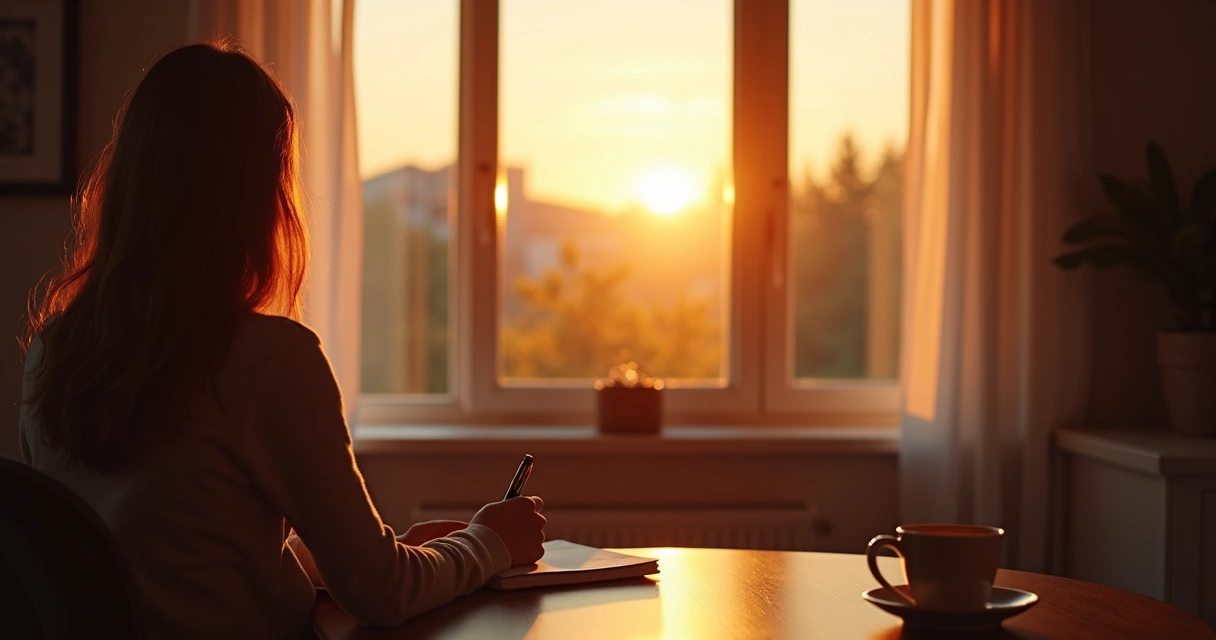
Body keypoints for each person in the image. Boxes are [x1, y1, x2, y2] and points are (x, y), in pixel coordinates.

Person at [18, 41, 546, 640]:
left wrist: (381, 554)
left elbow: (173, 546)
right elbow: (381, 594)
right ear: (258, 194)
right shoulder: (269, 360)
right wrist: (489, 543)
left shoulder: (52, 354)